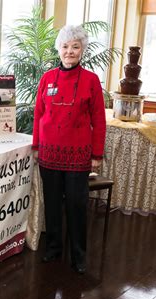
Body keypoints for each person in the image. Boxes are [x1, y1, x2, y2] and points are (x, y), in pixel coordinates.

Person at [32, 25, 106, 274]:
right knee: (52, 204)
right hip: (49, 155)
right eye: (65, 46)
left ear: (82, 50)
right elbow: (38, 114)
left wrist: (96, 155)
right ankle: (53, 250)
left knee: (76, 205)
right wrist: (36, 145)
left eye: (75, 46)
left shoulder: (91, 81)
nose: (69, 51)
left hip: (78, 156)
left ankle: (79, 256)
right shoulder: (47, 78)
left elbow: (99, 119)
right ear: (59, 50)